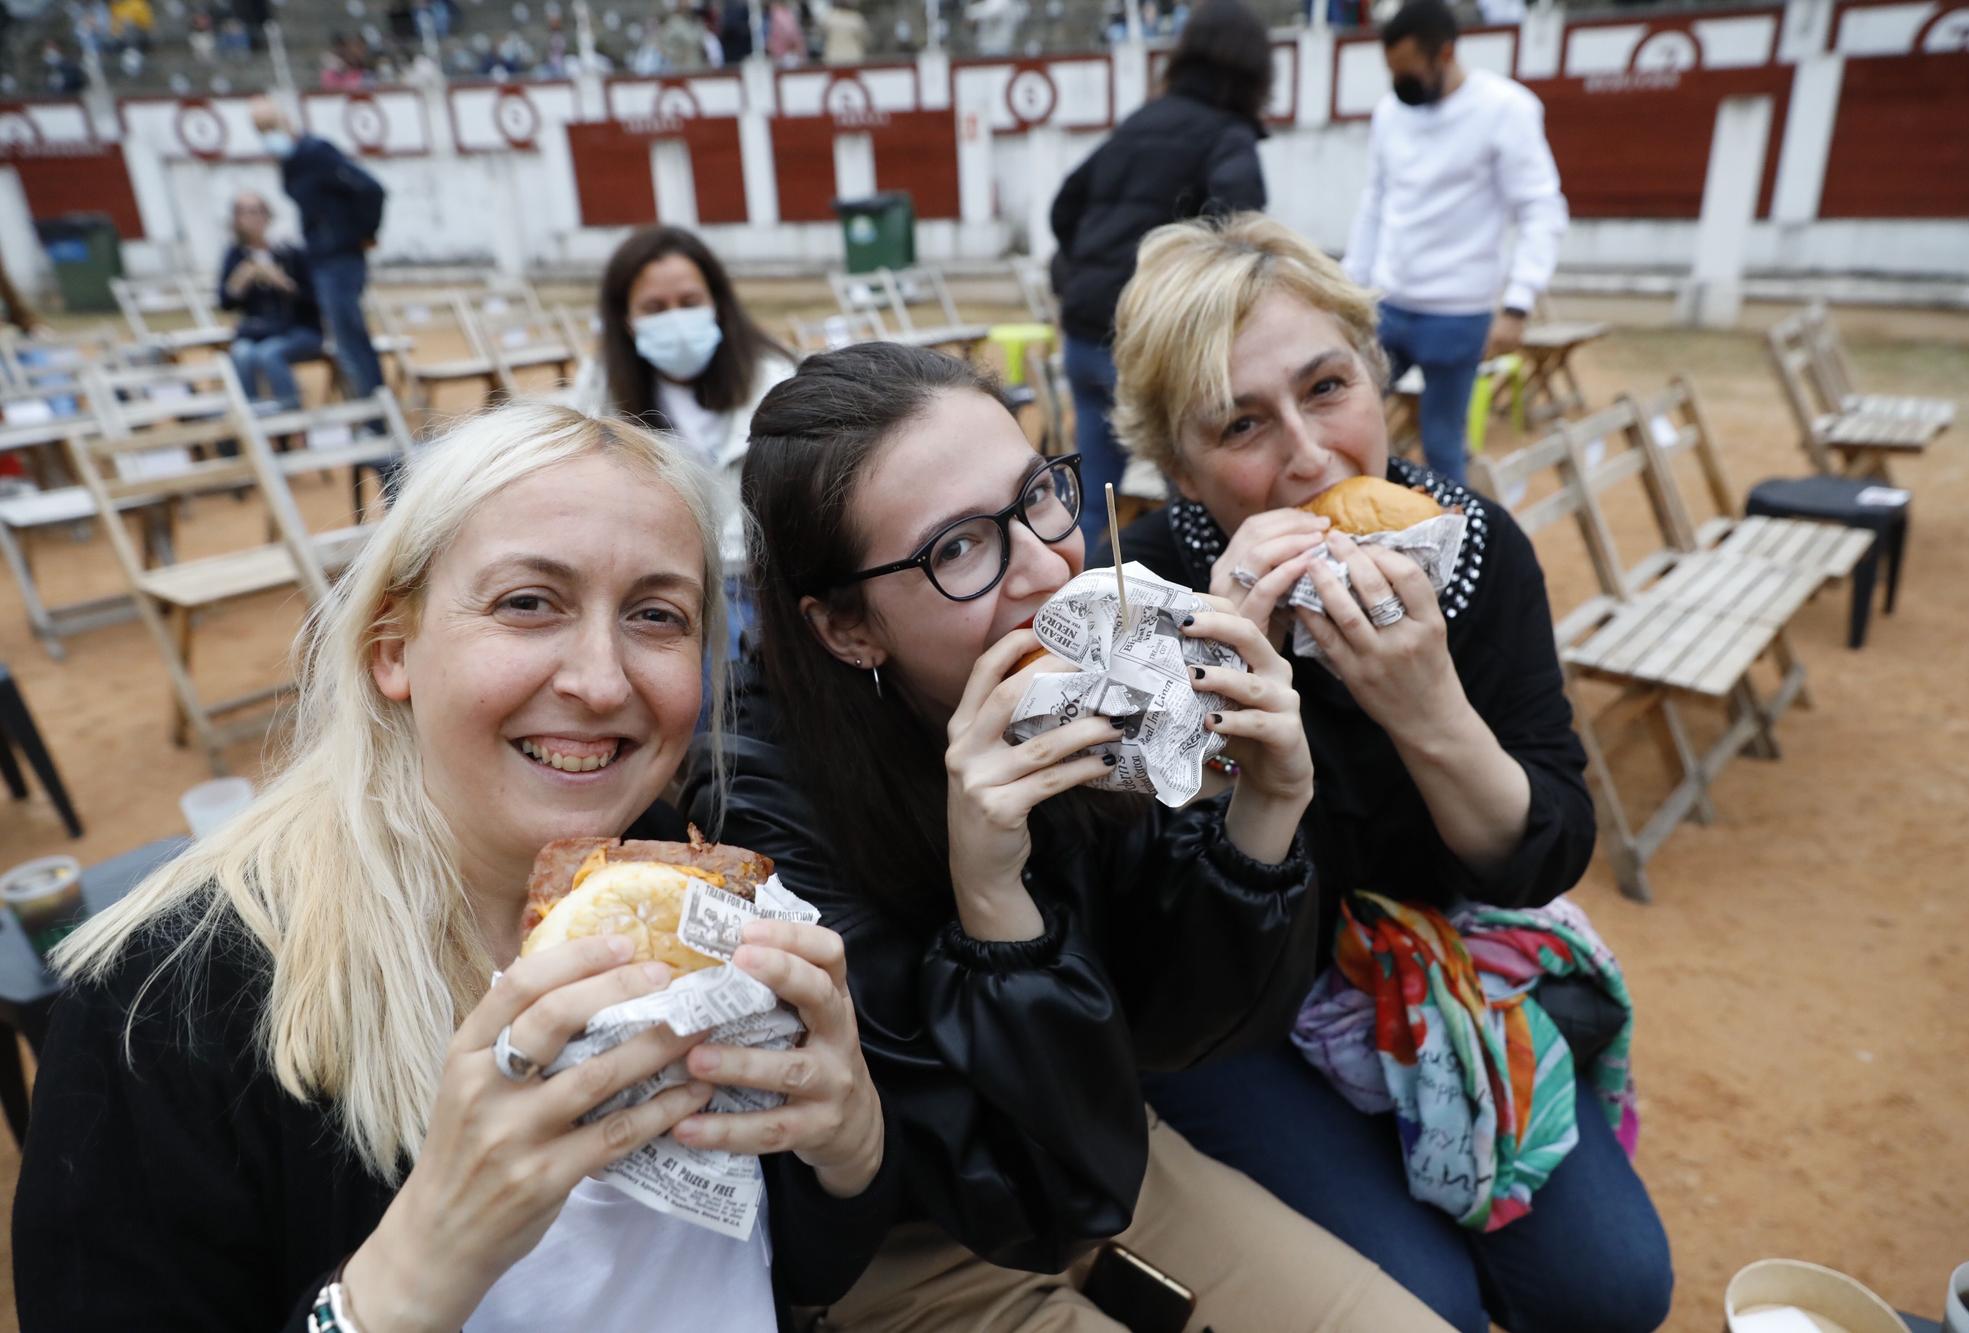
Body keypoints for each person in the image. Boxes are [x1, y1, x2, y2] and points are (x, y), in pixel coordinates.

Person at [14, 403, 896, 1331]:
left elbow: (799, 1265)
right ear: (393, 647)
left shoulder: (687, 889)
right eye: (528, 602)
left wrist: (848, 1149)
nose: (602, 680)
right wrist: (415, 1270)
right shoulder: (160, 1011)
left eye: (655, 614)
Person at [680, 341, 1455, 1331]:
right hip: (910, 1239)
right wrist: (994, 905)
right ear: (845, 628)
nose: (1049, 564)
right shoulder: (753, 809)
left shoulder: (1083, 689)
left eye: (1039, 496)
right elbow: (990, 1183)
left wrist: (1259, 810)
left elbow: (1178, 1031)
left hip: (1103, 1145)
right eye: (957, 546)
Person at [1108, 213, 1673, 1333]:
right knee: (1429, 1307)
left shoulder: (1473, 552)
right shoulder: (1147, 594)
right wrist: (1215, 675)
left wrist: (1427, 710)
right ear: (1177, 465)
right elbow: (1154, 931)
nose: (1309, 455)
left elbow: (1542, 851)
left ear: (1375, 377)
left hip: (1437, 966)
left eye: (1326, 387)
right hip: (1235, 1020)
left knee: (1611, 1289)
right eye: (1240, 424)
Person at [1049, 0, 1270, 555]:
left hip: (1083, 337)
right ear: (1254, 73)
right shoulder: (1227, 133)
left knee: (1091, 500)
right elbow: (1239, 224)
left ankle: (1067, 618)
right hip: (1155, 347)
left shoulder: (1139, 122)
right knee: (1196, 498)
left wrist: (1082, 274)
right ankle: (1197, 623)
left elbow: (1063, 206)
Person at [1343, 0, 1569, 485]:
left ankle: (1455, 549)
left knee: (1443, 443)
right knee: (1346, 422)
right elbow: (1375, 202)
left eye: (1409, 71)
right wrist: (1350, 284)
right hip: (1387, 304)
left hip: (1456, 313)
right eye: (1392, 72)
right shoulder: (1390, 113)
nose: (1400, 83)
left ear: (1444, 53)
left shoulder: (1505, 110)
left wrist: (1518, 304)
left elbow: (1540, 209)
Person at [576, 224, 793, 659]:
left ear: (716, 304)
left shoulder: (776, 381)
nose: (675, 319)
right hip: (650, 584)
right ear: (626, 320)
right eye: (655, 308)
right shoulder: (599, 395)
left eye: (689, 303)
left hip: (760, 580)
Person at [250, 95, 387, 401]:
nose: (267, 135)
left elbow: (370, 188)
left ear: (284, 121)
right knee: (344, 338)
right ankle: (370, 406)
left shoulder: (315, 153)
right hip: (322, 258)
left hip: (340, 258)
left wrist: (365, 233)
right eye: (260, 129)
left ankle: (375, 411)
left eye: (269, 125)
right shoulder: (291, 163)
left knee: (350, 339)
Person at [217, 190, 323, 411]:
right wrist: (239, 282)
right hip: (259, 331)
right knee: (241, 354)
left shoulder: (289, 252)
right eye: (245, 213)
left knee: (268, 354)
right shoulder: (235, 256)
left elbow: (316, 300)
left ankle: (291, 412)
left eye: (257, 211)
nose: (253, 218)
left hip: (298, 329)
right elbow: (225, 303)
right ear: (236, 220)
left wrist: (284, 283)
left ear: (268, 216)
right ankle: (255, 415)